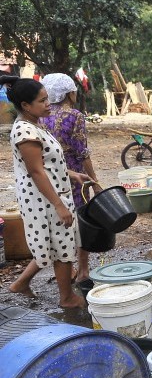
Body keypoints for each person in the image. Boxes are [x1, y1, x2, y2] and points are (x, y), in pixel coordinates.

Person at [3, 75, 91, 308]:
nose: (48, 104)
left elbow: (49, 164)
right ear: (25, 106)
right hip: (44, 199)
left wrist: (73, 174)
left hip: (50, 194)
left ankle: (20, 284)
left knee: (51, 246)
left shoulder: (35, 125)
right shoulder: (25, 132)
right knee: (62, 247)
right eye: (42, 101)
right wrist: (59, 205)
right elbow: (36, 171)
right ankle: (67, 298)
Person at [39, 73, 102, 283]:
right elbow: (82, 151)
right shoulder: (75, 116)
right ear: (69, 93)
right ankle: (83, 270)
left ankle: (68, 271)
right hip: (75, 177)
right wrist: (94, 182)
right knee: (81, 221)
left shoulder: (41, 116)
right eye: (74, 90)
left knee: (61, 223)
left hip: (50, 176)